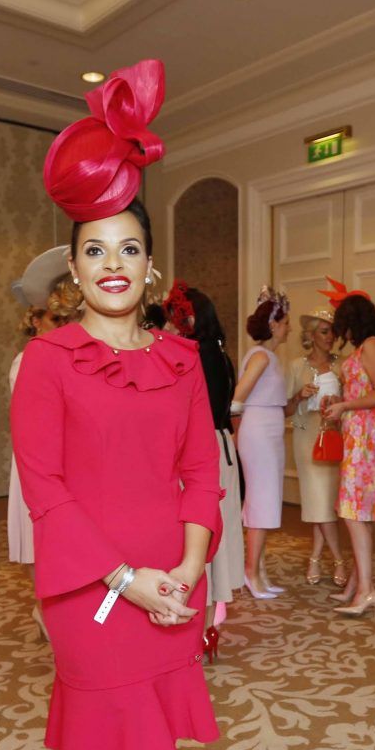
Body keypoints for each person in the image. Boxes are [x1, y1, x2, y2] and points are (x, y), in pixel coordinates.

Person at [10, 60, 227, 750]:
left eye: (127, 249)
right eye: (93, 248)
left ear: (149, 270)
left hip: (172, 585)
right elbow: (45, 489)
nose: (110, 262)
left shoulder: (180, 361)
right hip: (90, 591)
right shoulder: (47, 361)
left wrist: (185, 562)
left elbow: (201, 472)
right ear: (75, 266)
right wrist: (127, 576)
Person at [163, 281, 245, 661]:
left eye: (177, 316)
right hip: (222, 447)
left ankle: (201, 631)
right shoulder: (219, 352)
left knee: (201, 538)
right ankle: (209, 630)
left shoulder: (194, 355)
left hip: (202, 450)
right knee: (216, 539)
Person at [8, 246, 81, 640]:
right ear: (36, 319)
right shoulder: (27, 362)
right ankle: (44, 611)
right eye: (56, 318)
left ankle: (59, 613)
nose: (64, 325)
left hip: (72, 463)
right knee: (40, 542)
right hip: (38, 466)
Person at [322, 278, 375, 618]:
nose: (342, 332)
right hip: (360, 438)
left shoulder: (372, 346)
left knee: (353, 513)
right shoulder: (365, 348)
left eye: (344, 324)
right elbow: (368, 393)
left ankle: (366, 590)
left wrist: (345, 407)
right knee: (358, 514)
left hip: (366, 442)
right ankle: (356, 584)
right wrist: (342, 402)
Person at [231, 285, 290, 598]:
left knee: (264, 502)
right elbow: (238, 397)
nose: (289, 328)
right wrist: (238, 430)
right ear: (273, 325)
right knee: (261, 502)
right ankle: (250, 572)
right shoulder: (261, 357)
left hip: (267, 431)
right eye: (285, 322)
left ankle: (259, 570)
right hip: (259, 433)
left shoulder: (268, 357)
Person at [285, 307, 348, 587]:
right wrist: (300, 395)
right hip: (306, 437)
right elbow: (284, 408)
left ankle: (314, 557)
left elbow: (352, 405)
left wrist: (337, 407)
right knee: (317, 501)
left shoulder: (342, 365)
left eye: (332, 331)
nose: (330, 337)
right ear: (311, 336)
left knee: (326, 504)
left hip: (334, 436)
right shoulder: (296, 366)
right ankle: (338, 559)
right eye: (324, 331)